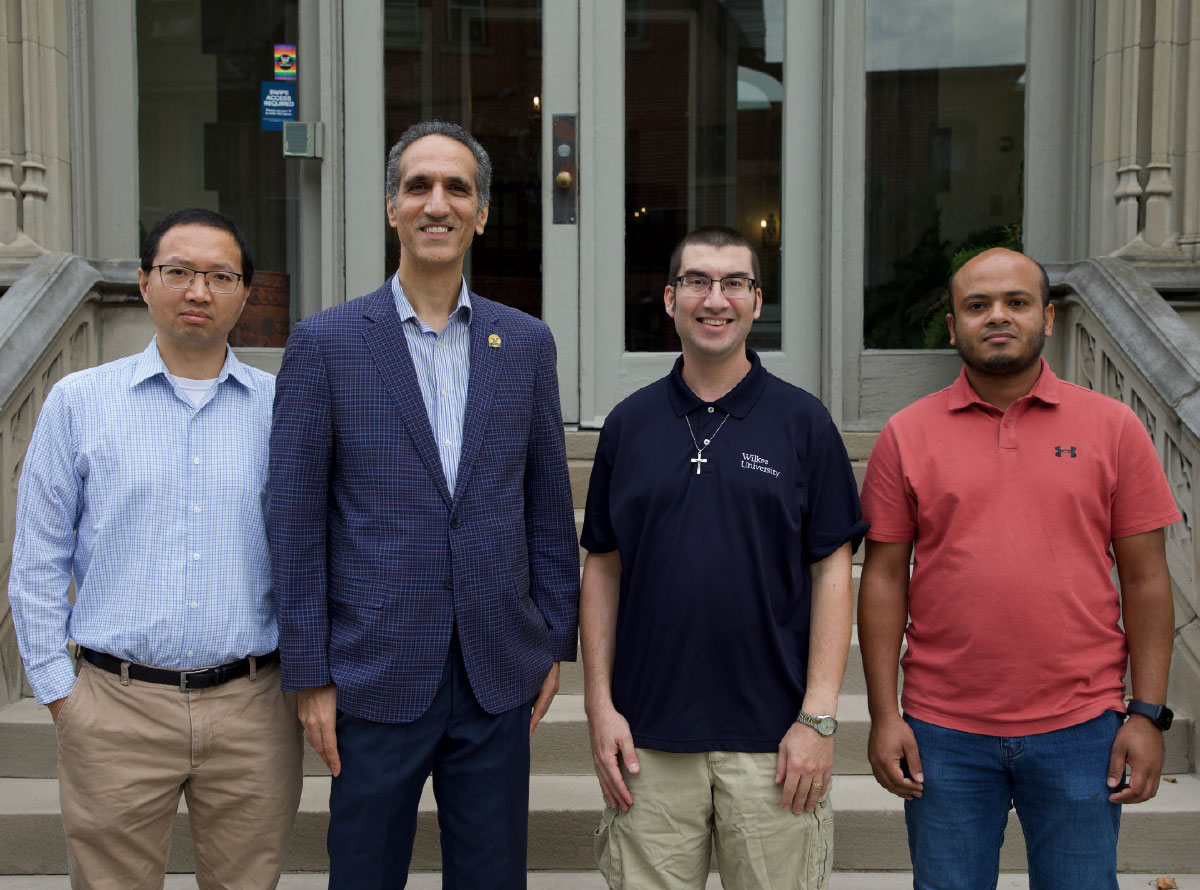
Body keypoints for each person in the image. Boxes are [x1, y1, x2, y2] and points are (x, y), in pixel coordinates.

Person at [268, 120, 579, 890]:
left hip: (495, 671)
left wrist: (551, 639)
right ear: (391, 208)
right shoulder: (325, 343)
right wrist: (308, 670)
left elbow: (546, 506)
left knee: (491, 877)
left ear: (479, 214)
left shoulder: (527, 345)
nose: (436, 203)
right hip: (372, 673)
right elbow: (295, 521)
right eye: (418, 186)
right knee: (365, 875)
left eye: (457, 189)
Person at [858, 247, 1180, 889]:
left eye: (1016, 302)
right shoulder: (906, 434)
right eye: (977, 305)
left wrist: (1145, 713)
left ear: (1048, 318)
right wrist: (885, 715)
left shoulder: (1113, 427)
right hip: (942, 730)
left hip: (1082, 727)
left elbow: (1146, 579)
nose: (997, 316)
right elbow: (884, 578)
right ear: (953, 326)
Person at [8, 207, 303, 890]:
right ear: (144, 282)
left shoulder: (282, 407)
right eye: (178, 272)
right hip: (115, 706)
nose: (198, 291)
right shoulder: (78, 403)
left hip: (253, 707)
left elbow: (313, 549)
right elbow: (38, 561)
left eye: (219, 276)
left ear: (244, 293)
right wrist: (61, 694)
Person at [579, 225, 866, 890]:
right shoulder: (629, 423)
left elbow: (832, 571)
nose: (717, 299)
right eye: (699, 283)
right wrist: (600, 708)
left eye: (734, 282)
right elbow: (603, 567)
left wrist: (819, 717)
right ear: (671, 298)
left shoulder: (803, 423)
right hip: (647, 741)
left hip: (774, 745)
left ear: (757, 302)